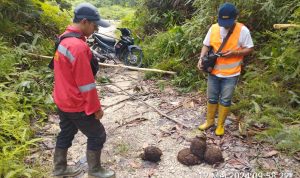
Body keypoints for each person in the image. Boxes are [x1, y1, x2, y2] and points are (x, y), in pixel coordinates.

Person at [52, 2, 115, 178]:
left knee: (67, 131)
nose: (95, 30)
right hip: (75, 102)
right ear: (85, 21)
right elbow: (86, 85)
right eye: (95, 26)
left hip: (62, 98)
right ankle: (95, 171)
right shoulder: (78, 47)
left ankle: (59, 169)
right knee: (98, 135)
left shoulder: (64, 38)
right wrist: (96, 108)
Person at [197, 3, 254, 136]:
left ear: (235, 18)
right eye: (222, 21)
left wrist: (235, 53)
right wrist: (201, 59)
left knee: (225, 100)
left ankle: (220, 125)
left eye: (228, 22)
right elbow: (206, 45)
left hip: (231, 74)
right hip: (213, 71)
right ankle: (210, 121)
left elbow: (250, 48)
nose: (225, 25)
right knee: (211, 98)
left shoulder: (243, 30)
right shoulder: (214, 28)